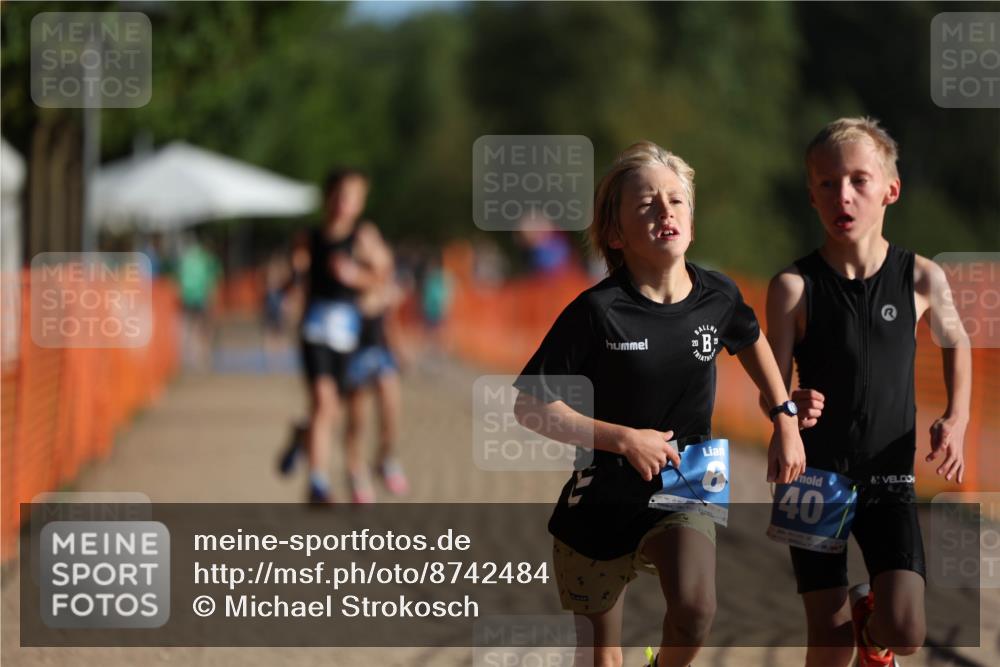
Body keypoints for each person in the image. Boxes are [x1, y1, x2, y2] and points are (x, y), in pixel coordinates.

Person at [512, 141, 806, 667]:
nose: (665, 211)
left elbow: (750, 336)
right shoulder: (596, 312)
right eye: (647, 203)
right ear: (617, 233)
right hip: (601, 499)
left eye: (676, 201)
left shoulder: (718, 296)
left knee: (695, 610)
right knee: (602, 658)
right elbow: (529, 405)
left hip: (688, 476)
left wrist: (784, 416)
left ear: (691, 222)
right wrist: (623, 439)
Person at [764, 117, 971, 667]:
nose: (844, 195)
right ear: (812, 196)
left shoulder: (921, 277)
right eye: (828, 184)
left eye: (859, 180)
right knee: (828, 648)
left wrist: (957, 416)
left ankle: (873, 631)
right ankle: (850, 631)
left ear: (890, 190)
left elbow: (957, 340)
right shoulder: (793, 286)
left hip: (890, 476)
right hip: (812, 476)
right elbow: (772, 382)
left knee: (905, 628)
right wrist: (787, 411)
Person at [292, 168, 393, 503]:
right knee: (324, 402)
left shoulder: (363, 236)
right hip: (315, 330)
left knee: (344, 409)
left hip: (350, 334)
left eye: (352, 197)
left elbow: (381, 280)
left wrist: (354, 275)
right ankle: (318, 481)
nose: (343, 203)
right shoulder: (310, 236)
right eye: (339, 195)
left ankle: (301, 437)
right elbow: (299, 276)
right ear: (328, 197)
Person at [340, 241, 410, 503]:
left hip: (381, 356)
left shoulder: (386, 293)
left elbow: (389, 326)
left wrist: (401, 351)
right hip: (355, 358)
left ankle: (385, 459)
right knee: (356, 422)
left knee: (391, 412)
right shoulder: (350, 295)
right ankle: (355, 472)